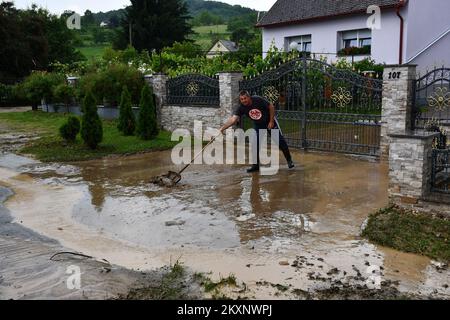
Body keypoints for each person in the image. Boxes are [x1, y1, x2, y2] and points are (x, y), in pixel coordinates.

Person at [219, 90, 295, 173]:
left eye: (245, 98)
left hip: (269, 121)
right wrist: (223, 128)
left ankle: (289, 160)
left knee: (280, 141)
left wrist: (271, 121)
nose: (244, 100)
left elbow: (271, 107)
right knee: (255, 145)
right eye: (242, 99)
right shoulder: (241, 107)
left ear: (249, 97)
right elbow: (233, 119)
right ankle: (255, 166)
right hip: (259, 125)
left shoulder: (257, 100)